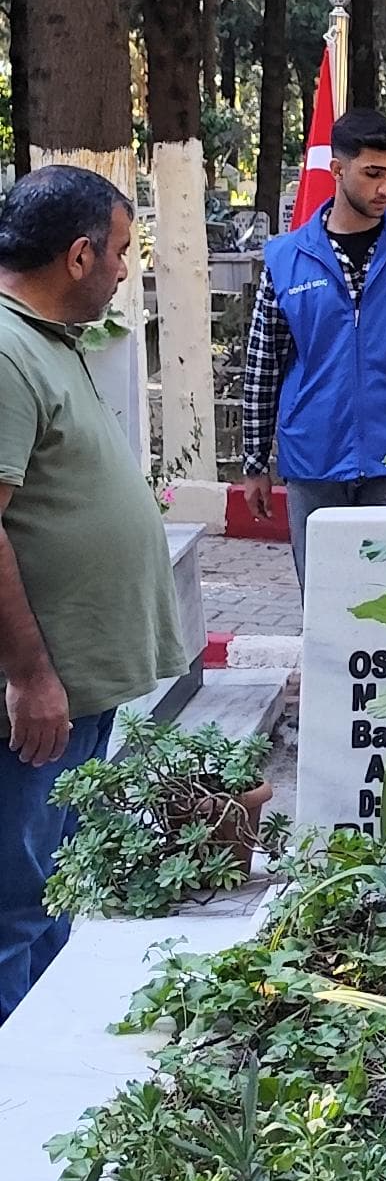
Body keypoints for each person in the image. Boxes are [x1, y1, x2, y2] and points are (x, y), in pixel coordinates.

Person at [0, 167, 187, 1015]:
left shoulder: (42, 340)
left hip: (73, 686)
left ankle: (42, 1064)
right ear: (77, 255)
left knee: (53, 889)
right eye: (117, 253)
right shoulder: (5, 352)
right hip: (39, 696)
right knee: (16, 897)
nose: (121, 271)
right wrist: (31, 677)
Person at [242, 107, 386, 586]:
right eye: (372, 173)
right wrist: (254, 462)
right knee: (323, 602)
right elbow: (265, 365)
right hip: (313, 458)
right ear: (337, 170)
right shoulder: (286, 259)